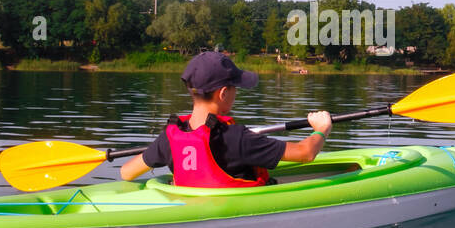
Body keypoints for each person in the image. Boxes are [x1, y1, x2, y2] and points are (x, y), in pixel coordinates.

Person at [118, 51, 332, 187]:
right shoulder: (237, 138)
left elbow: (126, 173)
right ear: (223, 93)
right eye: (234, 88)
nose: (236, 93)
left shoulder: (171, 136)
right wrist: (321, 129)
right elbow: (307, 153)